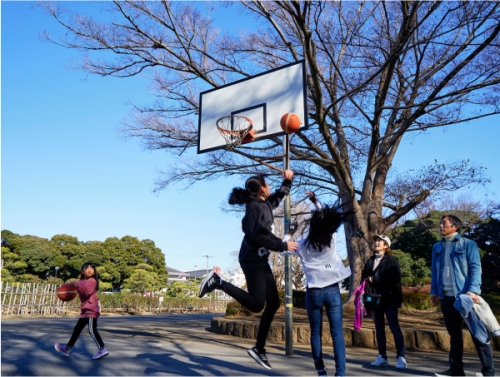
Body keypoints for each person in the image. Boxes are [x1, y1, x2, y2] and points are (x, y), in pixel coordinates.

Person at [198, 169, 299, 370]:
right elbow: (258, 234)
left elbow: (278, 197)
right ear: (262, 189)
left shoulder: (262, 204)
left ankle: (259, 349)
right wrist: (282, 245)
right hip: (252, 259)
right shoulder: (254, 207)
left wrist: (287, 181)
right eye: (267, 185)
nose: (270, 188)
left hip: (260, 258)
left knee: (273, 303)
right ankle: (218, 282)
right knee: (256, 304)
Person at [285, 192, 351, 377]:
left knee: (315, 333)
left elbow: (283, 249)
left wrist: (289, 233)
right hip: (332, 291)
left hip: (313, 291)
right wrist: (315, 202)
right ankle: (340, 374)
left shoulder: (302, 244)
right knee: (337, 334)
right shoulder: (331, 240)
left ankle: (321, 370)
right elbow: (326, 219)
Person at [431, 215, 495, 377]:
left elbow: (475, 268)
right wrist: (434, 291)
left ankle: (489, 372)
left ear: (455, 227)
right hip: (446, 297)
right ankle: (456, 371)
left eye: (444, 223)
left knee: (478, 334)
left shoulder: (468, 244)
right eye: (441, 223)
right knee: (455, 336)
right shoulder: (437, 247)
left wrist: (473, 290)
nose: (440, 225)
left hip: (466, 297)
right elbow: (435, 271)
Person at [362, 234, 406, 370]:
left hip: (390, 299)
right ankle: (382, 356)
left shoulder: (392, 260)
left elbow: (395, 276)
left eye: (380, 241)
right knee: (379, 328)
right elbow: (364, 276)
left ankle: (401, 357)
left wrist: (375, 279)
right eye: (376, 241)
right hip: (376, 299)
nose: (377, 243)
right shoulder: (370, 261)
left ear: (386, 246)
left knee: (394, 327)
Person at [54, 262, 109, 360]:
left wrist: (78, 284)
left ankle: (102, 349)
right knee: (77, 329)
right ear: (82, 271)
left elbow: (87, 292)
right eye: (87, 268)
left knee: (92, 330)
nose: (89, 270)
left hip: (92, 308)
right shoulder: (80, 281)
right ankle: (67, 348)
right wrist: (62, 290)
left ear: (94, 271)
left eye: (92, 268)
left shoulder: (92, 281)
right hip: (85, 310)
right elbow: (70, 287)